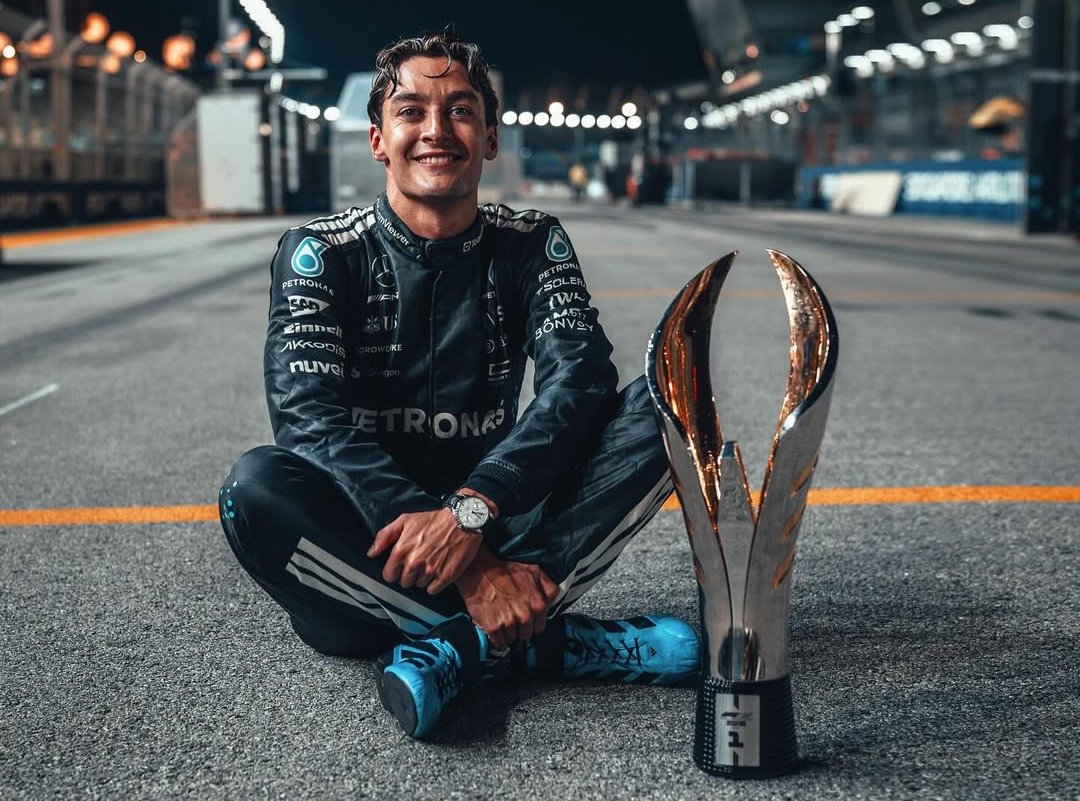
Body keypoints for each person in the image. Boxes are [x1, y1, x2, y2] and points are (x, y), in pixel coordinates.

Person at [218, 28, 699, 740]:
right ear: (379, 140)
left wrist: (473, 511)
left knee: (670, 401)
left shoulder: (531, 241)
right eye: (411, 111)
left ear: (490, 138)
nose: (436, 130)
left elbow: (580, 379)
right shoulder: (321, 252)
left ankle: (461, 646)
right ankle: (537, 641)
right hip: (368, 551)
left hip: (499, 521)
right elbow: (309, 418)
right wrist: (471, 568)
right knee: (254, 487)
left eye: (461, 111)